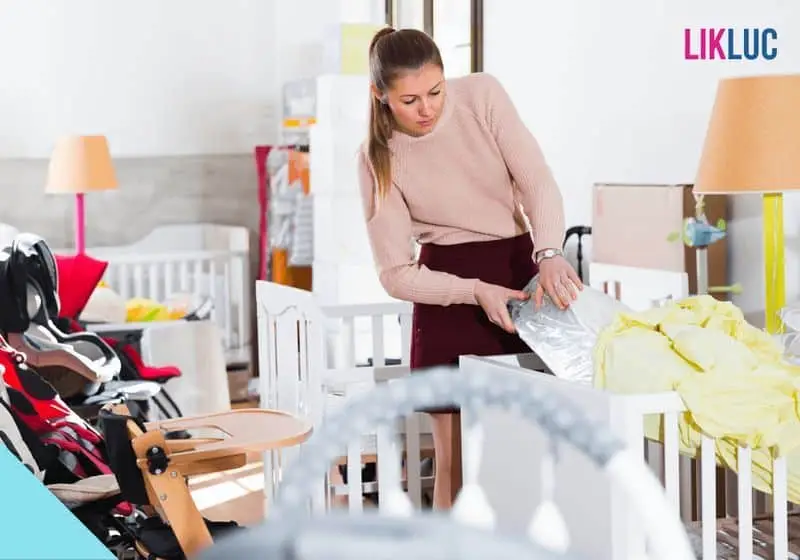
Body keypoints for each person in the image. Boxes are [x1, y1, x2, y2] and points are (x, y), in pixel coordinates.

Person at [357, 26, 583, 510]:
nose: (428, 109)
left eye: (436, 91)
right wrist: (477, 291)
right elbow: (395, 272)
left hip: (522, 273)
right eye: (409, 99)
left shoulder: (482, 95)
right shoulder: (377, 157)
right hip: (451, 294)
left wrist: (549, 252)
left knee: (533, 449)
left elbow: (537, 180)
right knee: (455, 467)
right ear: (380, 95)